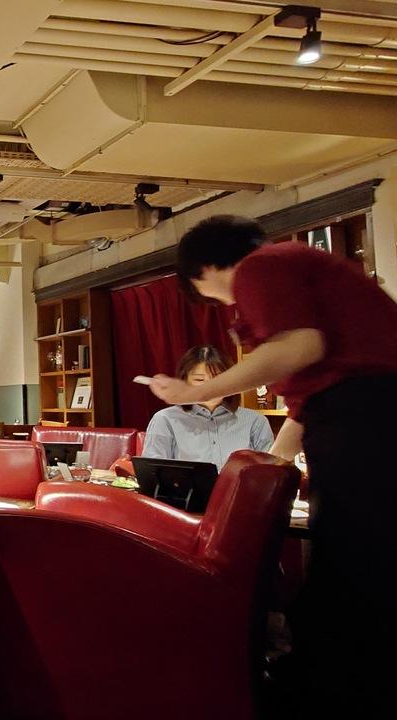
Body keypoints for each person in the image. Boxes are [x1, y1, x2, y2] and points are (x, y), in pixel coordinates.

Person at [148, 215, 397, 717]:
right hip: (362, 416)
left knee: (357, 572)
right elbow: (306, 401)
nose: (228, 307)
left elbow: (301, 346)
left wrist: (197, 390)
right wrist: (268, 466)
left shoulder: (261, 267)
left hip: (369, 418)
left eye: (210, 296)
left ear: (203, 272)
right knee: (352, 568)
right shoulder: (298, 267)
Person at [142, 345, 273, 469]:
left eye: (218, 379)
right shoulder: (165, 419)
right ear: (184, 380)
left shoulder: (255, 421)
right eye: (199, 380)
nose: (210, 388)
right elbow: (152, 472)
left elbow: (271, 471)